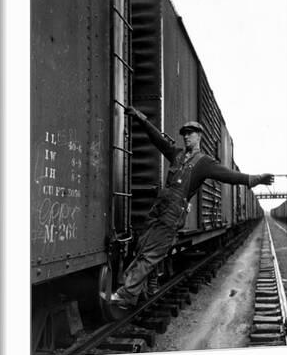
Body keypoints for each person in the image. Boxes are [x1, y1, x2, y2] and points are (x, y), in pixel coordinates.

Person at [108, 106, 274, 309]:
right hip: (159, 207)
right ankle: (150, 286)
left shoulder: (204, 163)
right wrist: (142, 119)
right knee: (143, 246)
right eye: (184, 134)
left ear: (199, 137)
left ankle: (127, 295)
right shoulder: (177, 154)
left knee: (152, 253)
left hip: (172, 212)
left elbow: (229, 175)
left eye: (190, 134)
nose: (186, 137)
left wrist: (255, 179)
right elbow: (158, 140)